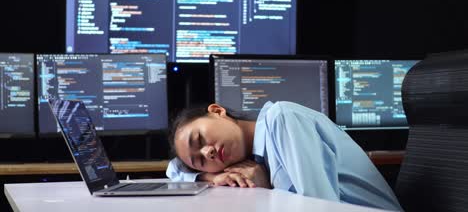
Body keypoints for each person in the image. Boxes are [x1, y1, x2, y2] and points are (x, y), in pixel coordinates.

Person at [166, 101, 402, 211]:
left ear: (217, 111)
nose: (208, 152)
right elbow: (174, 169)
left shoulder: (281, 119)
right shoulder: (254, 157)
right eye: (201, 161)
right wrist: (211, 178)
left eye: (199, 140)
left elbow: (320, 208)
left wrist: (267, 189)